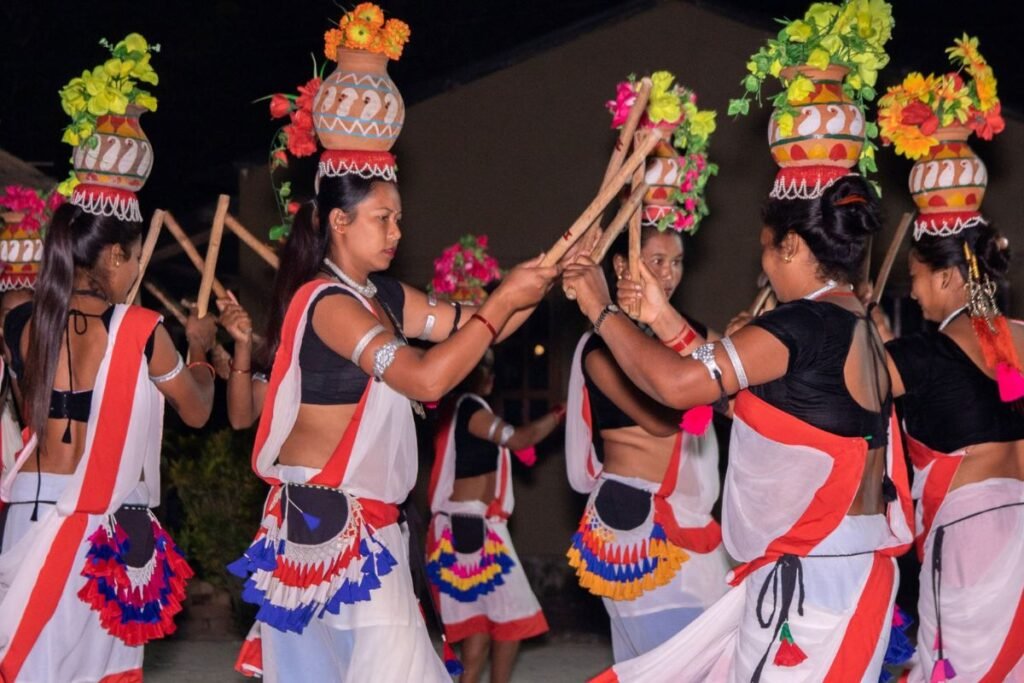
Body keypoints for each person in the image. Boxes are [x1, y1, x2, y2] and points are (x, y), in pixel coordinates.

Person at [563, 175, 913, 681]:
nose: (764, 265)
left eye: (766, 251)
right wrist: (661, 319)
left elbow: (682, 387)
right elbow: (741, 401)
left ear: (790, 246)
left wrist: (600, 307)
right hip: (847, 573)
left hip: (809, 587)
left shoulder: (802, 325)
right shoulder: (853, 322)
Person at [227, 156, 560, 682]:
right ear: (339, 221)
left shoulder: (382, 297)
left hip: (362, 524)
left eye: (398, 218)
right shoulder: (329, 304)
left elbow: (474, 329)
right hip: (328, 525)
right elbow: (426, 378)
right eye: (383, 218)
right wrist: (504, 300)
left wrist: (549, 279)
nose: (396, 232)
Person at [0, 203, 217, 681]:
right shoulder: (142, 330)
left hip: (28, 512)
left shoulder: (21, 325)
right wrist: (199, 347)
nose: (137, 269)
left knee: (28, 664)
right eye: (136, 258)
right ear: (116, 255)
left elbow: (29, 405)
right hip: (98, 524)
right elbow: (198, 410)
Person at [564, 226, 730, 662]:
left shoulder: (685, 332)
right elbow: (660, 419)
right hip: (635, 523)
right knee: (669, 664)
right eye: (657, 261)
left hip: (691, 524)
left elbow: (742, 375)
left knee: (711, 657)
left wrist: (749, 339)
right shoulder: (601, 346)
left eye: (676, 262)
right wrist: (705, 382)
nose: (669, 274)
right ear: (621, 265)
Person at [880, 224, 1024, 681]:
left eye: (916, 275)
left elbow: (841, 391)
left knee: (960, 668)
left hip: (969, 542)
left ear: (945, 277)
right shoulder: (1015, 337)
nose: (915, 292)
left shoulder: (921, 355)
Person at [427, 348, 564, 683]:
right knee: (514, 615)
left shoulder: (463, 411)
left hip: (465, 528)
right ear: (479, 377)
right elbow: (520, 438)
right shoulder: (470, 408)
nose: (492, 377)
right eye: (486, 369)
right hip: (473, 529)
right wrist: (561, 413)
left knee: (480, 631)